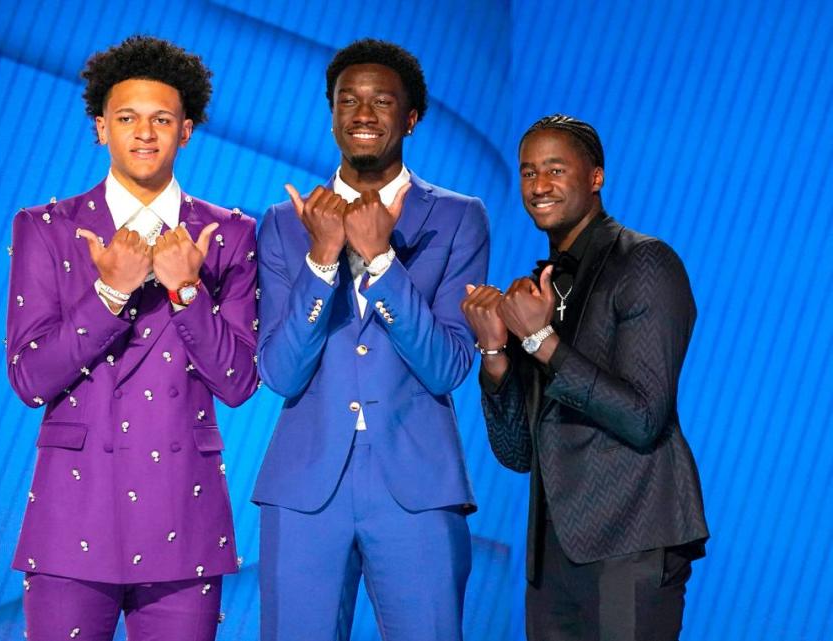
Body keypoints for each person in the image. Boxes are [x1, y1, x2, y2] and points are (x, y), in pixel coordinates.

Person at [5, 35, 258, 641]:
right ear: (100, 129)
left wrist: (186, 291)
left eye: (162, 119)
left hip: (185, 513)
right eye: (126, 118)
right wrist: (110, 295)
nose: (144, 133)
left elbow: (239, 382)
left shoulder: (228, 235)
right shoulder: (47, 229)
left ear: (187, 131)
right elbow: (29, 378)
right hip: (73, 512)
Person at [252, 38, 489, 641]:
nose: (363, 113)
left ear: (411, 118)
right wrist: (323, 259)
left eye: (382, 101)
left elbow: (447, 366)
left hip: (417, 485)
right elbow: (279, 372)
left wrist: (382, 260)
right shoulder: (283, 224)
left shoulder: (459, 217)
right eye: (348, 100)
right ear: (331, 112)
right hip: (306, 488)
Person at [462, 114, 709, 640]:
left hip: (632, 543)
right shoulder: (536, 290)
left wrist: (539, 341)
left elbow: (643, 417)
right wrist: (495, 353)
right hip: (551, 556)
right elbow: (517, 453)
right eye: (528, 173)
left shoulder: (647, 263)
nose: (539, 186)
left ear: (596, 176)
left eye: (555, 169)